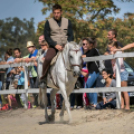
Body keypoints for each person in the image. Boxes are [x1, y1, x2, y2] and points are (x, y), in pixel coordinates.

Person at [40, 4, 74, 90]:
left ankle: (75, 79)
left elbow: (71, 35)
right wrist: (55, 45)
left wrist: (67, 44)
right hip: (53, 46)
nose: (56, 15)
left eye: (58, 13)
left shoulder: (67, 21)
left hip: (66, 46)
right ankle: (43, 79)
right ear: (53, 13)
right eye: (55, 13)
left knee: (75, 57)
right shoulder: (48, 22)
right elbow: (47, 37)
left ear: (61, 12)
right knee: (47, 59)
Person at [111, 41, 130, 110]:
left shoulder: (119, 53)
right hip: (117, 73)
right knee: (120, 91)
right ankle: (122, 105)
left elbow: (119, 63)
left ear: (115, 47)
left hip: (122, 73)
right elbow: (113, 65)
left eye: (112, 47)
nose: (110, 48)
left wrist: (116, 72)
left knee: (124, 90)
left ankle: (127, 106)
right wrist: (114, 72)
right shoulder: (113, 54)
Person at [82, 37, 99, 108]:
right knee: (93, 87)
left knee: (88, 86)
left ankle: (92, 103)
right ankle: (94, 104)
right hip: (91, 71)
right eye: (84, 44)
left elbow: (86, 57)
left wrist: (76, 56)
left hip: (94, 71)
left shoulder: (93, 50)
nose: (86, 45)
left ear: (91, 44)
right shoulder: (89, 51)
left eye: (87, 44)